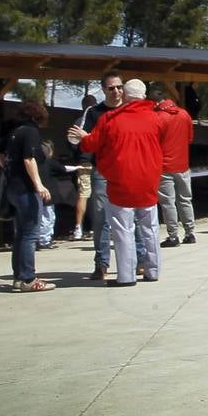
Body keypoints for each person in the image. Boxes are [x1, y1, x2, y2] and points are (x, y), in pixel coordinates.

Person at [73, 78, 163, 286]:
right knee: (150, 227)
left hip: (120, 179)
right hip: (149, 178)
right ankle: (153, 270)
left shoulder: (110, 119)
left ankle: (126, 276)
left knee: (123, 230)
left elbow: (90, 145)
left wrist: (83, 137)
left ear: (125, 95)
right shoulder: (156, 119)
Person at [72, 73, 126, 281]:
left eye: (119, 87)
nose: (116, 91)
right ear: (103, 90)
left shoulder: (129, 110)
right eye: (111, 88)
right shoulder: (94, 113)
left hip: (127, 170)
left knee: (134, 217)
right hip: (102, 171)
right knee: (101, 217)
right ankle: (101, 263)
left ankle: (139, 260)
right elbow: (79, 139)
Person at [3, 101, 55, 292]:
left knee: (21, 234)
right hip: (26, 189)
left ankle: (19, 277)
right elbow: (29, 158)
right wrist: (39, 184)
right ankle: (27, 279)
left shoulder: (14, 132)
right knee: (31, 234)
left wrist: (9, 171)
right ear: (38, 116)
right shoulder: (31, 132)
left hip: (13, 188)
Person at [154, 92, 197, 247]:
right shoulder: (184, 114)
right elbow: (190, 139)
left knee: (168, 202)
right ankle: (190, 232)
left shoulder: (158, 117)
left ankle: (173, 235)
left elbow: (154, 142)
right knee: (185, 199)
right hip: (183, 165)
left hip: (164, 166)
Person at [34, 140, 76, 250]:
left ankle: (38, 239)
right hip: (48, 195)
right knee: (48, 217)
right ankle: (44, 240)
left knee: (38, 218)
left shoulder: (33, 164)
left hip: (36, 194)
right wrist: (77, 167)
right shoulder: (49, 162)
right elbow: (63, 168)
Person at [68, 94, 95, 241]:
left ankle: (78, 228)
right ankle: (101, 226)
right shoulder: (100, 119)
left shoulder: (78, 122)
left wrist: (77, 154)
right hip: (99, 162)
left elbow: (71, 143)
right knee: (103, 195)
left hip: (83, 162)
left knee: (83, 194)